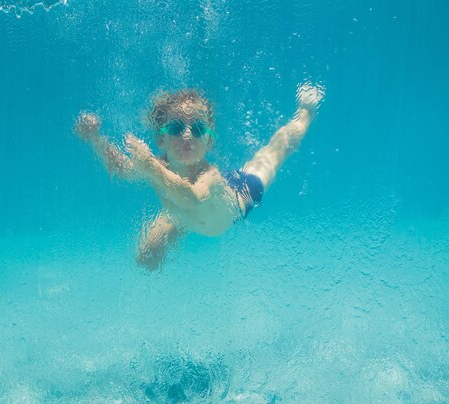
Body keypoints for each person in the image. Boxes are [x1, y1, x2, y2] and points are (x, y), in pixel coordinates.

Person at [75, 83, 324, 271]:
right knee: (145, 260)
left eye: (197, 129)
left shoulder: (210, 176)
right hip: (183, 215)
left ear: (209, 141)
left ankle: (305, 112)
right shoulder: (159, 166)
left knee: (276, 151)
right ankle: (179, 226)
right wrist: (95, 139)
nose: (186, 136)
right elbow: (121, 167)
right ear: (160, 138)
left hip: (239, 196)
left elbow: (192, 198)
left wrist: (151, 166)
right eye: (175, 128)